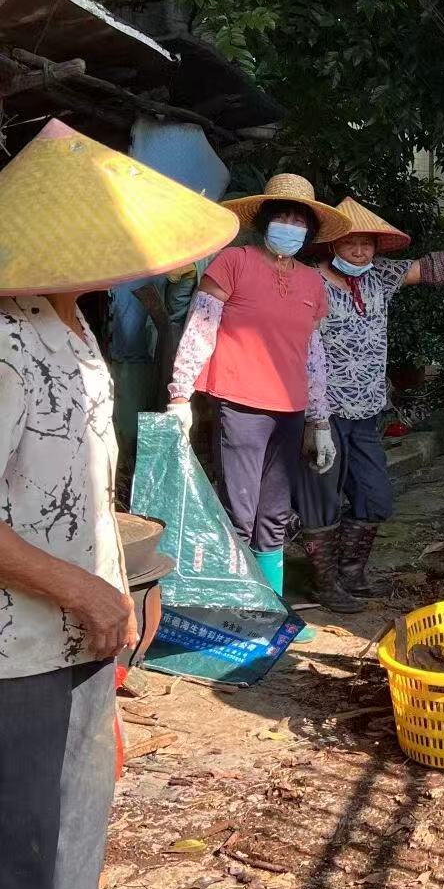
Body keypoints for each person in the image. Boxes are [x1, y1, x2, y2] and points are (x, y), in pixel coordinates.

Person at [0, 119, 239, 889]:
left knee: (76, 832)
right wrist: (85, 590)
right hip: (18, 652)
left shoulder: (72, 323)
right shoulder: (5, 338)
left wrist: (122, 580)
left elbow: (72, 482)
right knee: (26, 852)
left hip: (82, 629)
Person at [292, 197, 444, 609]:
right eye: (350, 243)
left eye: (367, 243)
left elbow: (433, 268)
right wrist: (311, 419)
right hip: (321, 413)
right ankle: (326, 583)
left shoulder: (380, 276)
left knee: (375, 496)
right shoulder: (309, 282)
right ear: (332, 244)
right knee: (321, 499)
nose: (359, 251)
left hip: (367, 411)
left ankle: (351, 572)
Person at [167, 174, 352, 612]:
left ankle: (269, 610)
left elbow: (313, 355)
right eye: (282, 216)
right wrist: (180, 395)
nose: (290, 226)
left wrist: (320, 421)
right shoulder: (234, 262)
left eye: (299, 220)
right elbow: (201, 327)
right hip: (240, 405)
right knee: (240, 510)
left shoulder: (312, 282)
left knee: (274, 513)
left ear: (309, 231)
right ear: (265, 221)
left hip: (291, 410)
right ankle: (233, 611)